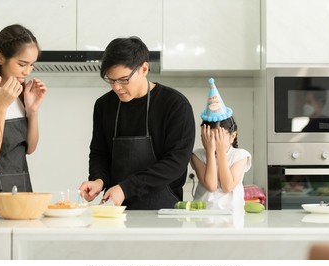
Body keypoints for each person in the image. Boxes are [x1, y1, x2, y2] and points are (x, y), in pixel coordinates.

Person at [79, 36, 195, 210]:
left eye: (124, 79)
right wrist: (98, 180)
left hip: (162, 211)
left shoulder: (175, 104)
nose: (117, 87)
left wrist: (125, 189)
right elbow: (99, 153)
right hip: (115, 210)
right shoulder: (104, 105)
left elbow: (176, 163)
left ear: (144, 69)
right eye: (111, 80)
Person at [0, 24, 47, 197]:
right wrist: (0, 108)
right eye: (22, 64)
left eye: (32, 65)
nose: (27, 71)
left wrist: (32, 111)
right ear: (0, 57)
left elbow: (29, 148)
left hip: (19, 191)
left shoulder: (19, 93)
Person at [190, 78, 251, 210]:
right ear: (203, 136)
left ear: (232, 136)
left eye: (219, 137)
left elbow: (227, 186)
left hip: (233, 218)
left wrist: (221, 153)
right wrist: (210, 152)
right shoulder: (197, 155)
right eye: (209, 137)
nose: (214, 142)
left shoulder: (240, 156)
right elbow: (211, 185)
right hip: (203, 217)